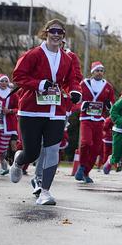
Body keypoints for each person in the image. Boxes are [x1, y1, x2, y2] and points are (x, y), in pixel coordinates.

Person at [8, 19, 83, 206]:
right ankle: (18, 160)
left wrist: (75, 91)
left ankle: (45, 191)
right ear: (46, 33)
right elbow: (18, 76)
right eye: (53, 31)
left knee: (51, 150)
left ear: (63, 35)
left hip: (55, 111)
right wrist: (39, 84)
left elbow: (71, 79)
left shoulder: (66, 58)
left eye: (60, 32)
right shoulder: (33, 54)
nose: (56, 35)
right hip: (31, 111)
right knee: (32, 153)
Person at [75, 61, 115, 184]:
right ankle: (81, 166)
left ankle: (86, 172)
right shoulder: (84, 84)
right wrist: (83, 104)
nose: (99, 73)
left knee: (96, 148)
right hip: (86, 118)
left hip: (100, 120)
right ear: (93, 72)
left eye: (101, 70)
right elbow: (75, 101)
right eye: (97, 70)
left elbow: (112, 104)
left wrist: (109, 105)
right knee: (86, 142)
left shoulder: (108, 86)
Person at [0, 74, 19, 177]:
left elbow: (19, 108)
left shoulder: (13, 95)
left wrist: (9, 111)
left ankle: (3, 163)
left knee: (2, 150)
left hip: (8, 126)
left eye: (5, 81)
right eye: (2, 81)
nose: (4, 83)